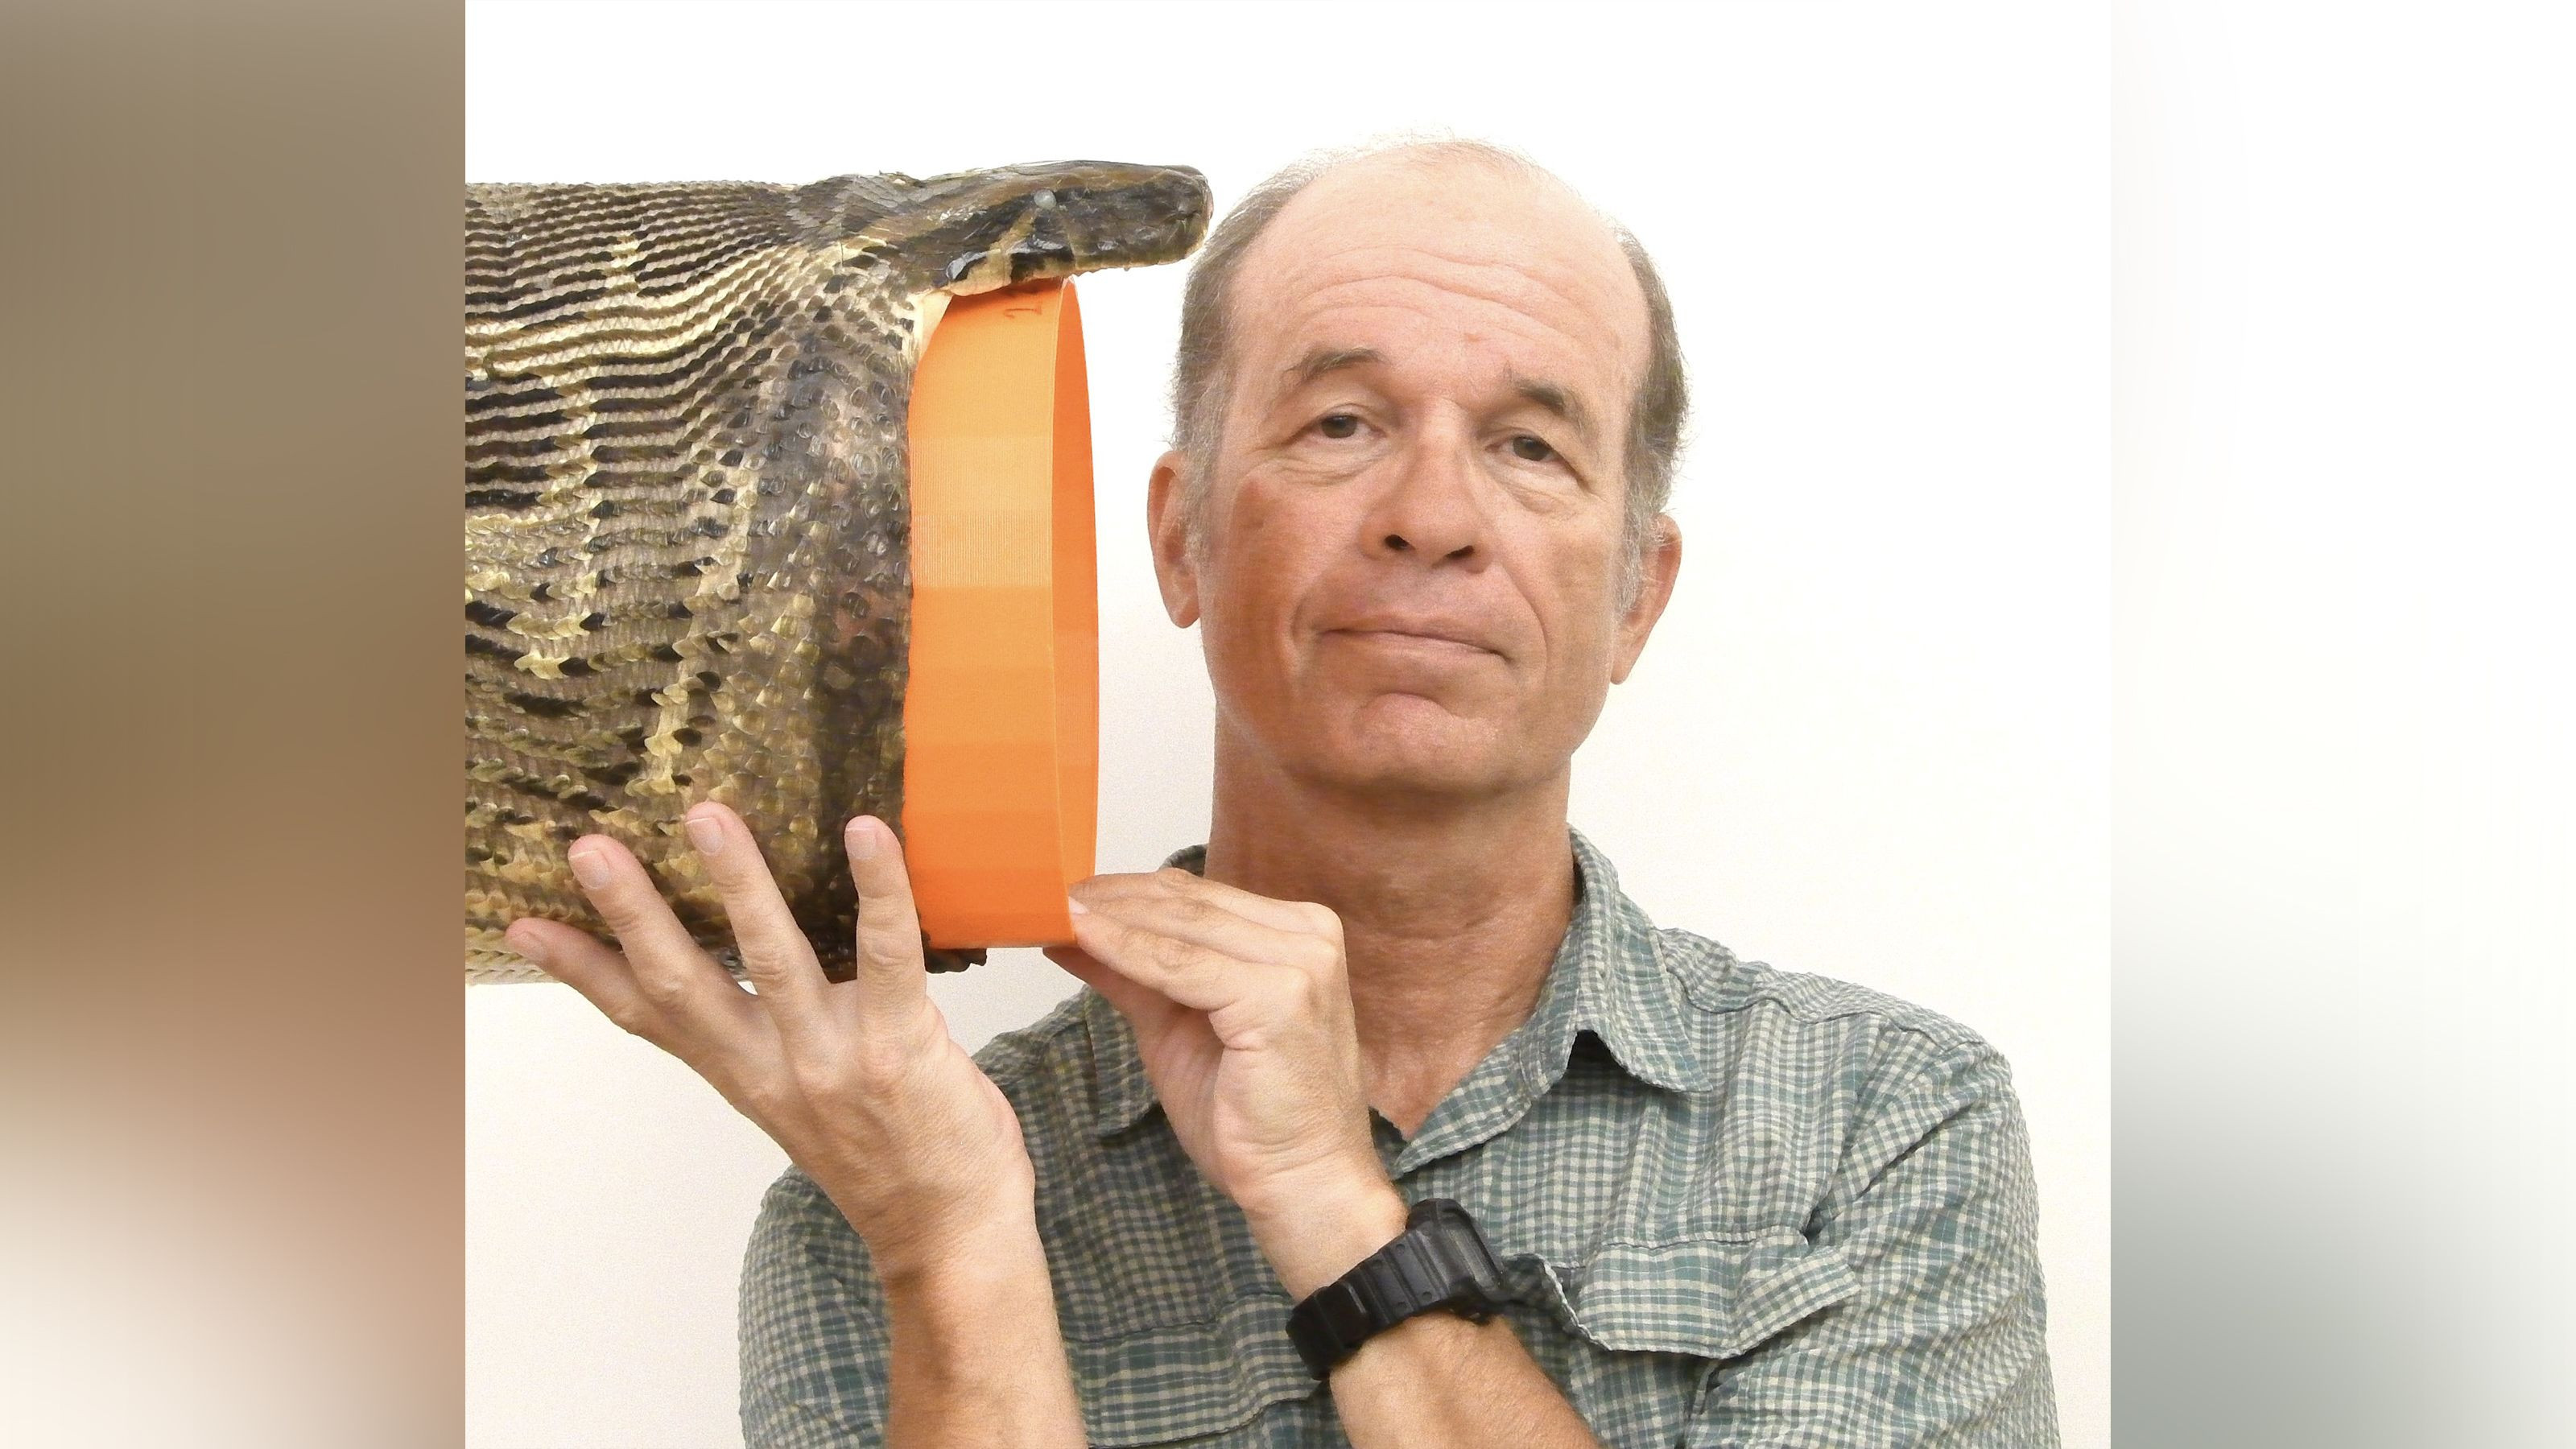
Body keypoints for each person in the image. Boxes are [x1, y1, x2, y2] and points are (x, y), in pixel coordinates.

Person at [506, 139, 2058, 1448]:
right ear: (1181, 540)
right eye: (1341, 425)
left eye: (1529, 446)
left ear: (1635, 601)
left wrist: (1332, 1201)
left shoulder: (1880, 1122)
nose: (1432, 516)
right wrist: (950, 1247)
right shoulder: (890, 1187)